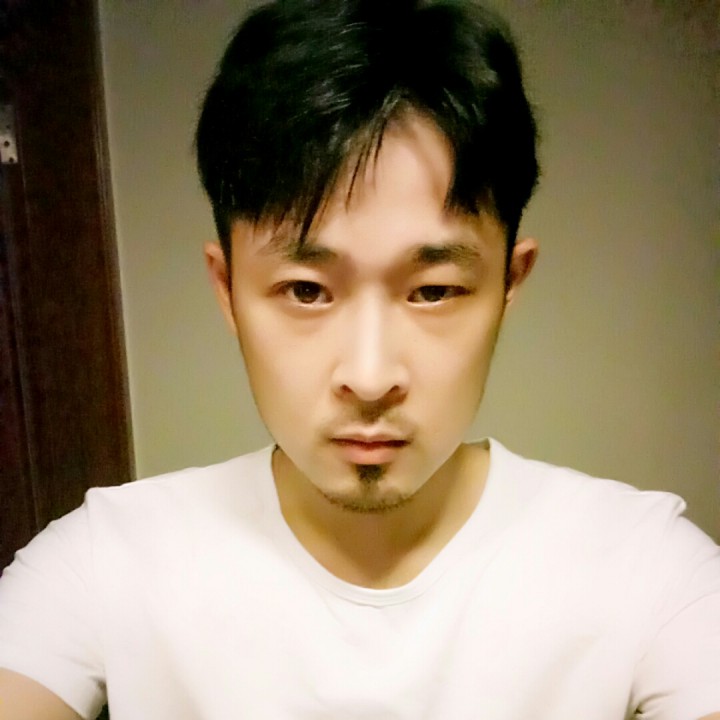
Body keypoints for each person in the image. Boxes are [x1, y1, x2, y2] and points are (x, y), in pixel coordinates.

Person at [0, 1, 718, 718]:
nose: (370, 379)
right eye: (306, 290)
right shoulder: (106, 562)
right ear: (227, 289)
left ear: (508, 283)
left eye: (433, 291)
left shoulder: (648, 572)